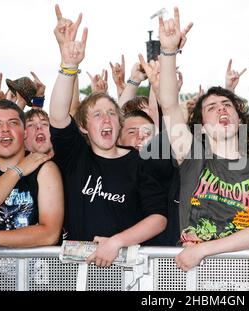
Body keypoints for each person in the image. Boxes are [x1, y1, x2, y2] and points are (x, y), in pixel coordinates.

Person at [151, 7, 249, 271]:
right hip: (190, 274)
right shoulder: (193, 156)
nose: (221, 110)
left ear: (239, 120)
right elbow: (169, 104)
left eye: (227, 105)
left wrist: (204, 250)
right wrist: (169, 51)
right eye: (212, 107)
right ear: (202, 128)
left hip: (242, 274)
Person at [49, 8, 167, 267]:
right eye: (97, 115)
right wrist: (69, 66)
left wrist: (116, 242)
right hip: (76, 271)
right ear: (82, 126)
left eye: (112, 113)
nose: (106, 120)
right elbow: (57, 116)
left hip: (126, 271)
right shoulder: (75, 155)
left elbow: (158, 218)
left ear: (120, 121)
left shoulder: (141, 162)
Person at [0, 100, 63, 267]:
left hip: (34, 279)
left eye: (13, 123)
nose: (5, 129)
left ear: (25, 132)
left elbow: (50, 233)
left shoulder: (44, 167)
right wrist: (16, 171)